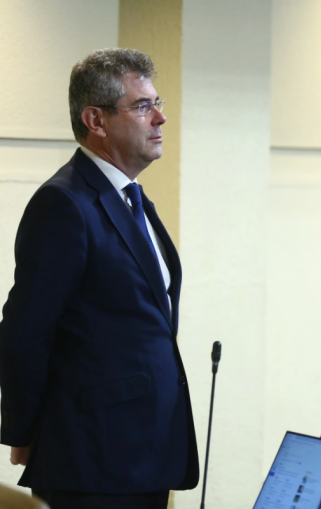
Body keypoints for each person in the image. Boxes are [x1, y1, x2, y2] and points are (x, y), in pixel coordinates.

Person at [0, 48, 199, 509]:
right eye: (143, 106)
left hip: (145, 450)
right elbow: (26, 329)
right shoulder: (64, 203)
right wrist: (24, 429)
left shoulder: (131, 198)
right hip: (93, 457)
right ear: (96, 120)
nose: (160, 118)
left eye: (157, 103)